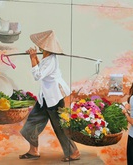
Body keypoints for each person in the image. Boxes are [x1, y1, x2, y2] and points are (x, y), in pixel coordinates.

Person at [19, 30, 80, 162]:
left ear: (45, 47)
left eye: (41, 46)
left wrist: (32, 58)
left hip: (54, 97)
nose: (39, 47)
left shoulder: (51, 60)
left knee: (59, 126)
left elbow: (37, 75)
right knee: (32, 121)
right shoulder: (46, 58)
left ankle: (73, 152)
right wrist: (34, 57)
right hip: (45, 97)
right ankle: (33, 150)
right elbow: (41, 68)